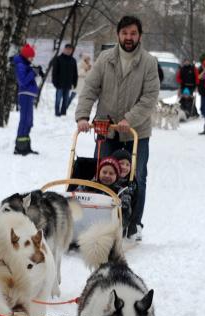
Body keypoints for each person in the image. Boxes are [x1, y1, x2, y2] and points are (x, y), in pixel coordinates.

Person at [75, 15, 160, 242]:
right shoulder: (105, 59)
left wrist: (130, 119)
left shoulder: (149, 62)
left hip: (136, 132)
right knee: (101, 173)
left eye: (133, 33)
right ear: (118, 35)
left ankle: (134, 224)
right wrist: (83, 115)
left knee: (137, 176)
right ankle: (96, 219)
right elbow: (90, 88)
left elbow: (150, 96)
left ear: (139, 36)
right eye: (125, 33)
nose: (128, 38)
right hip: (107, 129)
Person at [12, 43, 43, 155]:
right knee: (25, 120)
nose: (32, 59)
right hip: (24, 95)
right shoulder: (20, 65)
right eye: (31, 57)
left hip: (28, 96)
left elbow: (29, 76)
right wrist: (33, 73)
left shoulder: (25, 64)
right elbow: (23, 81)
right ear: (26, 56)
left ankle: (25, 145)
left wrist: (36, 71)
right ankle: (20, 147)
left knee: (29, 121)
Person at [52, 44, 78, 116]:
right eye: (67, 49)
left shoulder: (73, 60)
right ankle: (57, 113)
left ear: (72, 51)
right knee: (58, 99)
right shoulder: (58, 59)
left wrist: (75, 82)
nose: (68, 51)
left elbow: (75, 73)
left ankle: (63, 113)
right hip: (59, 83)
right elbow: (54, 72)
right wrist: (55, 82)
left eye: (70, 50)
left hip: (68, 83)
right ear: (64, 49)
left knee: (65, 100)